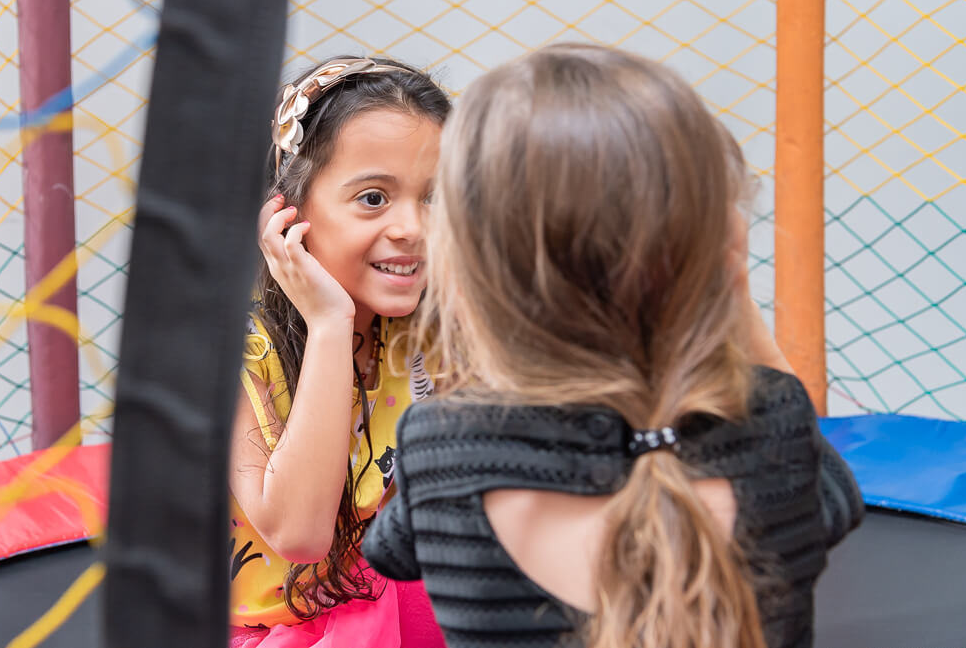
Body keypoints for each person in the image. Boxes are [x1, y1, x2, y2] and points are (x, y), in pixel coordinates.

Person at [362, 43, 864, 648]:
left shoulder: (443, 448)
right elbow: (836, 499)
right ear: (715, 249)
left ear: (472, 270)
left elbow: (390, 551)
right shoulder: (773, 422)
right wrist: (733, 291)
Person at [229, 57, 450, 648]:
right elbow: (299, 536)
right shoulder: (233, 353)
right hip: (268, 631)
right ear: (288, 212)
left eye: (433, 198)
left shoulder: (422, 333)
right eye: (374, 198)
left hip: (376, 598)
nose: (413, 227)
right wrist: (329, 324)